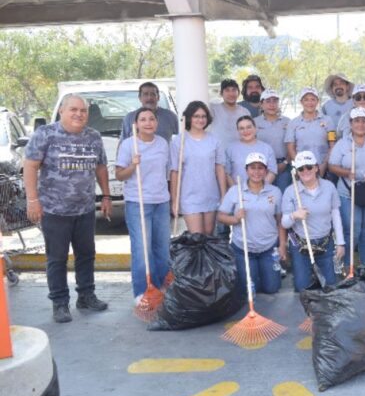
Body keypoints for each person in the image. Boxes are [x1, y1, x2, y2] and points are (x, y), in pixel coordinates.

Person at [24, 94, 111, 323]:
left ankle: (86, 296)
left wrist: (107, 196)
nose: (79, 114)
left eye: (83, 110)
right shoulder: (45, 134)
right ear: (62, 111)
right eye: (73, 109)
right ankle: (60, 304)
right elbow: (30, 166)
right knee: (57, 259)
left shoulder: (93, 137)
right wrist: (33, 201)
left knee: (86, 255)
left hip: (84, 209)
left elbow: (101, 167)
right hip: (54, 210)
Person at [115, 107, 171, 305]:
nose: (148, 123)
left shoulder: (163, 143)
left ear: (156, 123)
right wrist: (133, 165)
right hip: (138, 202)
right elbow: (119, 174)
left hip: (161, 201)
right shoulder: (129, 145)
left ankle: (163, 287)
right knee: (142, 249)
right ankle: (143, 291)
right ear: (136, 124)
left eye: (152, 119)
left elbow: (168, 171)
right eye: (143, 119)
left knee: (162, 248)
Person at [218, 152, 286, 301]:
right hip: (243, 249)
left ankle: (263, 273)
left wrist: (282, 245)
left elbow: (280, 220)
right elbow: (221, 216)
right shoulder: (235, 191)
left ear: (266, 170)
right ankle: (254, 275)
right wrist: (235, 218)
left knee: (272, 288)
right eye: (252, 168)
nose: (256, 172)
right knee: (246, 290)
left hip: (268, 248)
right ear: (246, 170)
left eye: (260, 168)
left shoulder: (275, 192)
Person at [328, 107, 365, 271]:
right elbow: (332, 166)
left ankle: (364, 264)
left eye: (364, 121)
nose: (360, 124)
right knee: (353, 230)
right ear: (350, 123)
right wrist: (347, 173)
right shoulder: (342, 144)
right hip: (348, 193)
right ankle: (348, 265)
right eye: (357, 121)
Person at [281, 151, 345, 291]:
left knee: (330, 287)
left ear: (316, 167)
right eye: (301, 169)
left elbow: (336, 215)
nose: (305, 171)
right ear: (297, 172)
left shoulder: (329, 187)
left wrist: (340, 243)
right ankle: (305, 273)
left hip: (325, 242)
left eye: (309, 167)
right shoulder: (290, 191)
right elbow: (285, 223)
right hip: (300, 244)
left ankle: (314, 273)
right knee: (302, 288)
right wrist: (294, 215)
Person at [170, 101, 227, 235]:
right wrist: (174, 200)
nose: (200, 120)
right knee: (196, 237)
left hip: (210, 194)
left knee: (208, 235)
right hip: (189, 196)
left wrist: (223, 195)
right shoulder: (179, 141)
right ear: (189, 118)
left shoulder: (214, 140)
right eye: (196, 116)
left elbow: (219, 168)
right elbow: (175, 172)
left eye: (203, 116)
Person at [285, 87, 336, 178]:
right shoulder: (293, 123)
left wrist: (324, 165)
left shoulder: (328, 120)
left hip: (324, 167)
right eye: (306, 100)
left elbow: (332, 145)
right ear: (301, 102)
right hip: (303, 169)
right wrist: (300, 166)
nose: (310, 103)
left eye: (313, 99)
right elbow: (290, 148)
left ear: (317, 101)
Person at [254, 89, 292, 191]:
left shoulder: (288, 122)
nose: (272, 104)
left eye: (275, 101)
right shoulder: (254, 123)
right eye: (268, 101)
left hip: (283, 167)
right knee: (264, 196)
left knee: (283, 195)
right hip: (261, 167)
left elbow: (292, 144)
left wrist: (285, 162)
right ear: (261, 104)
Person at [225, 115, 278, 188]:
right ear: (238, 131)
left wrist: (260, 188)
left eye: (249, 127)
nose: (245, 131)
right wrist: (236, 191)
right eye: (241, 128)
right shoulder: (230, 148)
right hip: (238, 194)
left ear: (255, 128)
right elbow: (227, 173)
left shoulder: (267, 148)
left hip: (261, 192)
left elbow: (272, 171)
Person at [208, 79, 250, 148]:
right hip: (217, 154)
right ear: (221, 93)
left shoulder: (245, 112)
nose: (231, 94)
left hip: (238, 152)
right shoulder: (213, 109)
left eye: (234, 90)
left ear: (238, 93)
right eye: (227, 90)